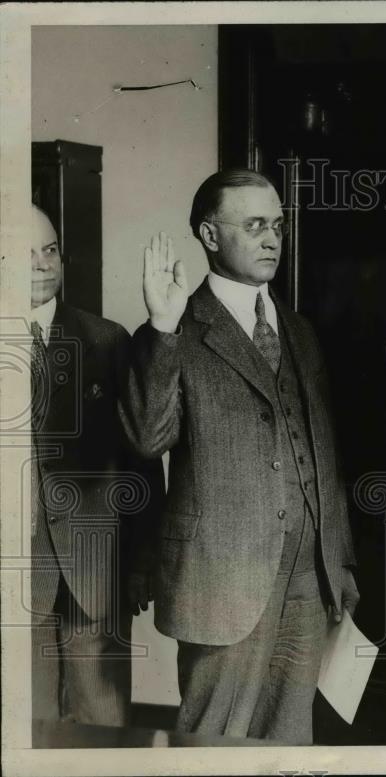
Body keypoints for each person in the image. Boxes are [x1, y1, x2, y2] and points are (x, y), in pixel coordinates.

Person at [119, 169, 359, 744]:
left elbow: (324, 455)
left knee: (289, 741)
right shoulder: (175, 330)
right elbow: (147, 438)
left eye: (277, 225)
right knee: (213, 743)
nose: (273, 238)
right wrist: (161, 326)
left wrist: (340, 561)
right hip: (221, 581)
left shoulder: (298, 332)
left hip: (307, 579)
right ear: (208, 234)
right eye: (254, 226)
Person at [29, 204, 163, 726]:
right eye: (23, 255)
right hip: (18, 583)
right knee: (25, 732)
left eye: (50, 250)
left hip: (97, 577)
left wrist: (142, 560)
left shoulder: (107, 341)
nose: (43, 265)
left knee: (101, 729)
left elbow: (142, 463)